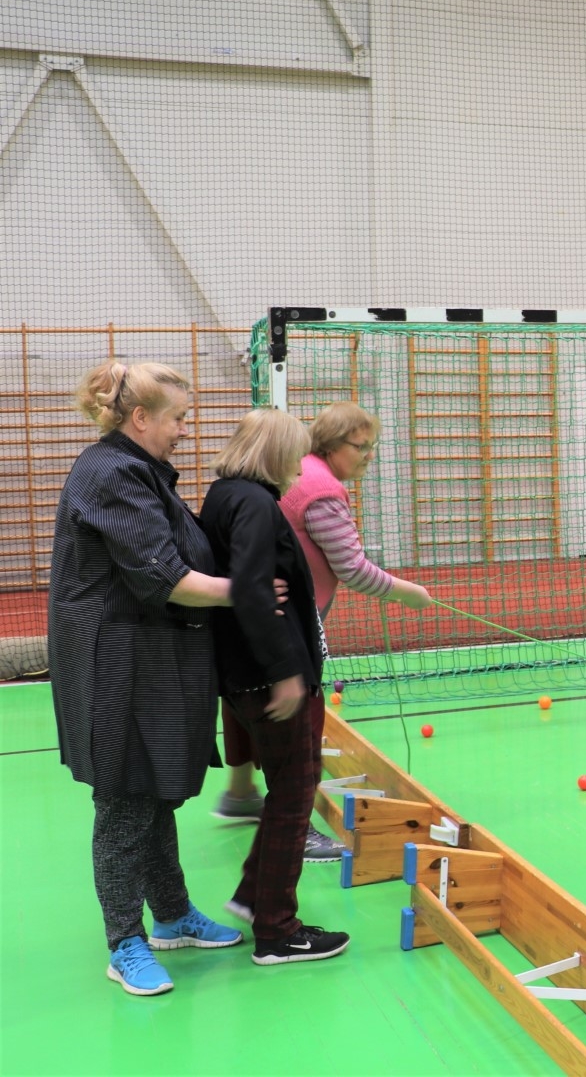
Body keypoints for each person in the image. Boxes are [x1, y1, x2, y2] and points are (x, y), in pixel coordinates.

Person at [50, 359, 244, 997]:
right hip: (114, 665)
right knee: (125, 804)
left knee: (154, 792)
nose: (184, 430)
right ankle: (123, 942)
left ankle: (173, 914)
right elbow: (168, 579)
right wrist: (252, 593)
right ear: (140, 418)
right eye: (177, 418)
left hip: (151, 659)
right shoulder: (113, 475)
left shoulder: (137, 470)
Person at [214, 402, 430, 865]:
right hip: (287, 626)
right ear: (330, 447)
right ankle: (296, 828)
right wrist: (407, 592)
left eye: (372, 446)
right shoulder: (321, 489)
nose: (368, 455)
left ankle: (240, 791)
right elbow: (351, 568)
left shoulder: (265, 484)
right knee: (300, 726)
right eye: (361, 446)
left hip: (250, 625)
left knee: (247, 707)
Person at [201, 408, 351, 965]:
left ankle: (252, 897)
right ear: (276, 454)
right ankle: (278, 930)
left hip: (246, 673)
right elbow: (253, 588)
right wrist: (286, 673)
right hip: (266, 675)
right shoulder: (256, 504)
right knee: (293, 793)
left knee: (289, 788)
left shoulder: (226, 494)